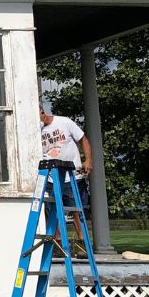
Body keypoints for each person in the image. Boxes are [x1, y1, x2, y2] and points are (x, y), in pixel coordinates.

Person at [39, 105, 93, 249]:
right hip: (51, 176)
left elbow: (83, 139)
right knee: (53, 210)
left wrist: (88, 160)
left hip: (71, 175)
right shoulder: (37, 131)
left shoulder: (64, 122)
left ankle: (83, 245)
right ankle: (59, 244)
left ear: (42, 112)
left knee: (76, 210)